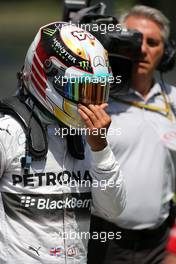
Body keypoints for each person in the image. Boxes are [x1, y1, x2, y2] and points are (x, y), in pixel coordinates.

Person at [0, 22, 126, 264]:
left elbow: (113, 210)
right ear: (47, 74)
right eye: (81, 89)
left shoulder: (91, 137)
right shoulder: (7, 130)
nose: (89, 104)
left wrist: (101, 148)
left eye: (97, 92)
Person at [87, 5, 176, 264]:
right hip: (104, 242)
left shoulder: (173, 101)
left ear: (166, 53)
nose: (142, 49)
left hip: (160, 245)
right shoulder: (95, 97)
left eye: (152, 42)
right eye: (134, 39)